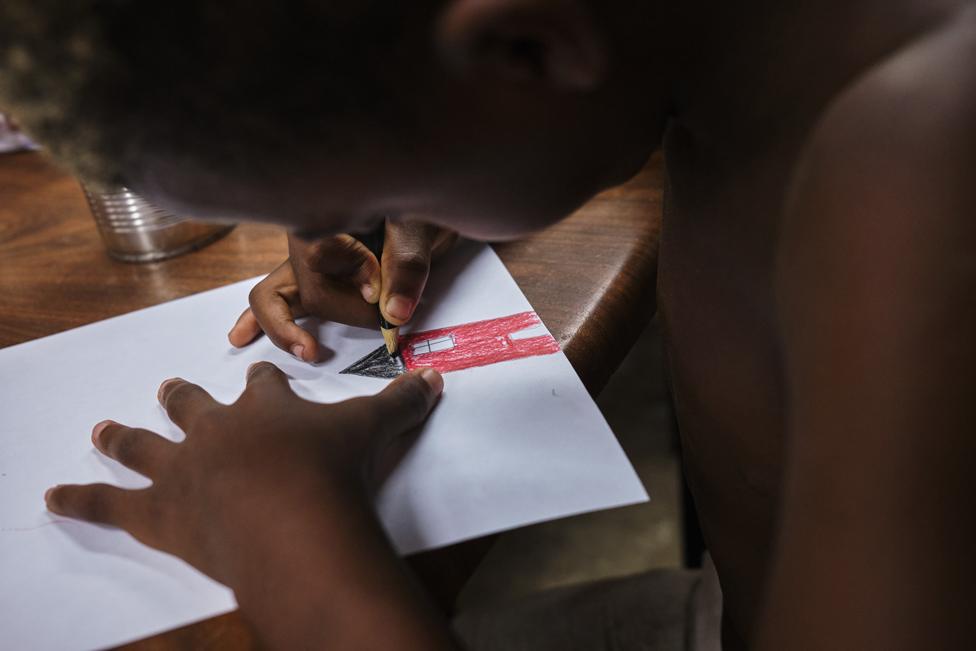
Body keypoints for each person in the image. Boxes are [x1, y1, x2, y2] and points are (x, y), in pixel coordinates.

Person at [2, 1, 974, 648]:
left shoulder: (925, 163)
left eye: (363, 191)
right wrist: (434, 190)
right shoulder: (744, 48)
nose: (326, 239)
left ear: (525, 50)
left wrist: (281, 534)